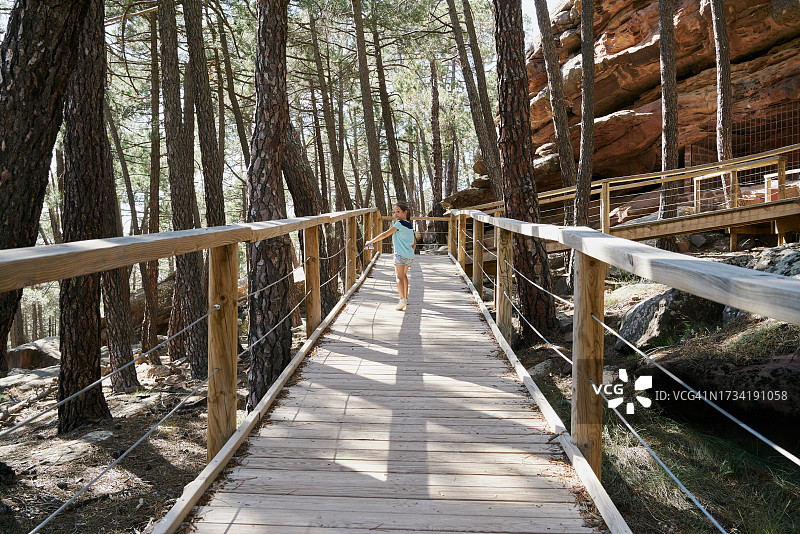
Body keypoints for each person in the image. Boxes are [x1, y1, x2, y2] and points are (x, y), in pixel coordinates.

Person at [365, 203, 416, 310]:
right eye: (394, 212)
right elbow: (414, 242)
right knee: (404, 276)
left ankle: (402, 299)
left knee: (399, 277)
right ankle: (405, 298)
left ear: (405, 212)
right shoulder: (410, 226)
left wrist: (371, 241)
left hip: (400, 255)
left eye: (398, 211)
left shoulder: (399, 224)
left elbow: (385, 234)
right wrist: (411, 252)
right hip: (409, 255)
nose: (395, 214)